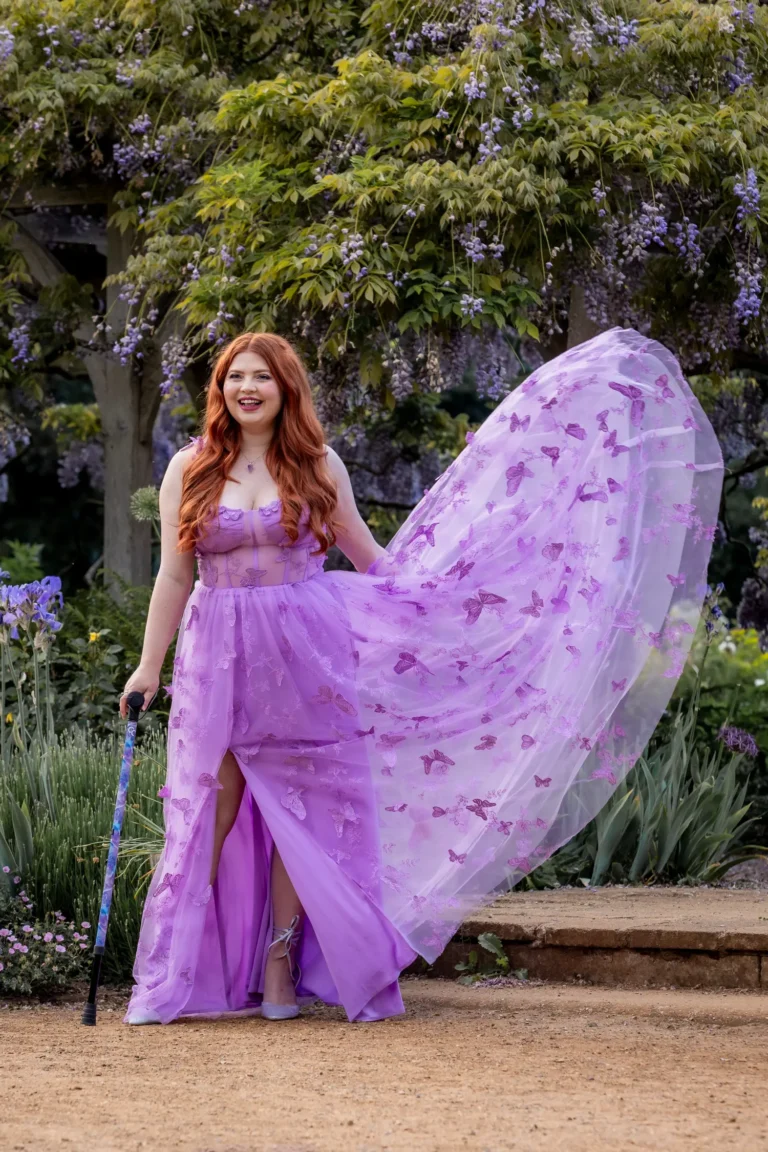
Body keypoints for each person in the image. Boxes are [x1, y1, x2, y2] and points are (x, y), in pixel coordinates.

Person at [122, 327, 723, 1026]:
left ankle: (279, 965)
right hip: (218, 654)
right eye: (234, 377)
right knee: (205, 809)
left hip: (310, 657)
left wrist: (437, 605)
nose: (246, 388)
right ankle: (174, 971)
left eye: (261, 377)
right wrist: (148, 665)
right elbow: (174, 575)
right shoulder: (191, 466)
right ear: (219, 389)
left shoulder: (318, 465)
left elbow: (368, 557)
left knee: (298, 815)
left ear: (286, 389)